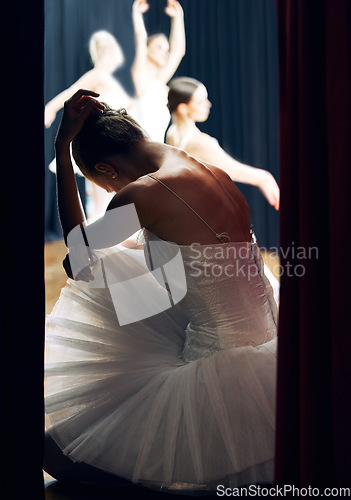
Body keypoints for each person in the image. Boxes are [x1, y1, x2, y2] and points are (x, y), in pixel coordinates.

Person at [44, 89, 278, 494]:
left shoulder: (148, 191)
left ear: (106, 168)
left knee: (52, 453)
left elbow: (77, 248)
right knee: (111, 260)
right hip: (271, 349)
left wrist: (62, 146)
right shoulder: (206, 170)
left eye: (100, 183)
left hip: (222, 368)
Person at [45, 30, 134, 220]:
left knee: (106, 195)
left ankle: (98, 235)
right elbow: (71, 92)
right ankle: (94, 238)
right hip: (100, 141)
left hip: (112, 140)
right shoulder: (98, 74)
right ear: (110, 50)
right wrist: (50, 109)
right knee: (101, 197)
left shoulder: (107, 77)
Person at [166, 77, 280, 211]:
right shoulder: (199, 142)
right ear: (183, 109)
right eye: (200, 102)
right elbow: (233, 170)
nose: (208, 104)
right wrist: (264, 177)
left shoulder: (172, 132)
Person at [130, 0, 186, 142]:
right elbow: (140, 38)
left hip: (156, 149)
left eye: (166, 49)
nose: (165, 53)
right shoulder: (141, 76)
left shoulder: (159, 80)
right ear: (147, 49)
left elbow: (178, 51)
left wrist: (178, 17)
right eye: (159, 47)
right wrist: (136, 14)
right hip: (139, 150)